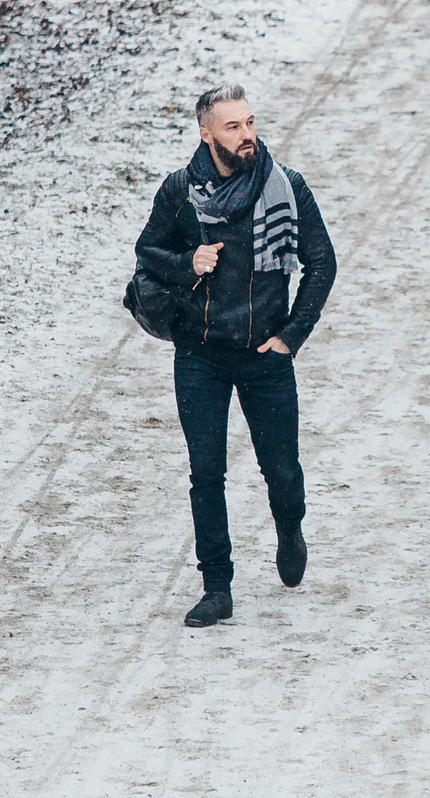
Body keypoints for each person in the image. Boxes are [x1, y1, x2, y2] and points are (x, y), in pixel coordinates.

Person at [134, 83, 337, 627]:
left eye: (249, 123)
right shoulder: (181, 191)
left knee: (282, 470)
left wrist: (292, 335)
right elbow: (148, 252)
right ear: (207, 134)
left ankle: (289, 528)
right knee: (206, 474)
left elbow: (322, 264)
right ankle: (216, 587)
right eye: (233, 126)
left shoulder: (286, 187)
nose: (247, 135)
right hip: (199, 355)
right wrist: (187, 261)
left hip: (265, 356)